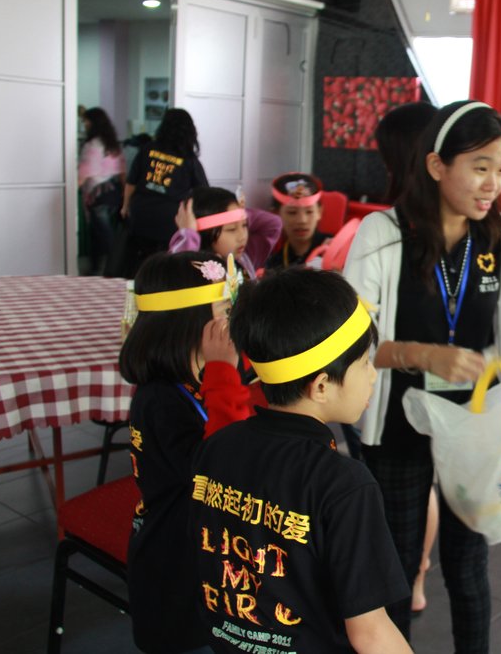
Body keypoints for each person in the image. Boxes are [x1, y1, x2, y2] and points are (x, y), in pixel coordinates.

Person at [342, 100, 501, 652]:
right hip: (397, 425)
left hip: (476, 421)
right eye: (480, 167)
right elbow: (351, 337)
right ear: (436, 165)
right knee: (396, 568)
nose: (493, 183)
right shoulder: (383, 233)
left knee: (468, 566)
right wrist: (422, 354)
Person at [189, 268, 412, 653]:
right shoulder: (345, 485)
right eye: (364, 363)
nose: (373, 376)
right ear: (321, 385)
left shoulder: (216, 447)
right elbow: (371, 632)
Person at [120, 250, 251, 653]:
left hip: (200, 552)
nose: (233, 322)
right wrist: (224, 373)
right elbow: (226, 470)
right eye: (225, 312)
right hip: (176, 569)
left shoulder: (192, 376)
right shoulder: (161, 400)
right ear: (190, 322)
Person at [374, 100, 439, 616]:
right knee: (407, 504)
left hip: (434, 403)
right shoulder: (385, 228)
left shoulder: (467, 228)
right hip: (401, 402)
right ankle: (411, 579)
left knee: (410, 506)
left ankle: (413, 575)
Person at [116, 108, 209, 278]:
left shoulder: (147, 149)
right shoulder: (189, 159)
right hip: (169, 220)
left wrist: (125, 206)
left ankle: (138, 283)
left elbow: (131, 183)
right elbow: (203, 191)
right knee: (165, 264)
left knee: (139, 260)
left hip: (141, 214)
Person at [169, 186, 281, 280]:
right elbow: (177, 270)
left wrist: (238, 214)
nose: (242, 236)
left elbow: (273, 224)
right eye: (231, 229)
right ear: (204, 232)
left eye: (245, 225)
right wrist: (189, 234)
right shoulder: (195, 267)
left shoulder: (245, 258)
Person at [77, 106, 126, 275]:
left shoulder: (92, 146)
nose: (84, 125)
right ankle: (97, 269)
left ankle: (114, 270)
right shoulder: (112, 144)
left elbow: (84, 173)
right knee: (100, 235)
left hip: (96, 196)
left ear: (92, 123)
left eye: (85, 122)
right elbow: (122, 172)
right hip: (112, 194)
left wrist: (68, 194)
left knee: (103, 237)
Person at [266, 172, 333, 269]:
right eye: (292, 212)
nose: (302, 220)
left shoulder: (334, 247)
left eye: (309, 212)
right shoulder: (275, 263)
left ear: (319, 212)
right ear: (276, 215)